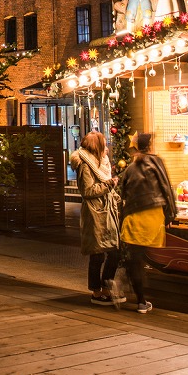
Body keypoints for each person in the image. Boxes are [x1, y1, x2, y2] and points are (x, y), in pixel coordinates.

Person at [117, 132, 174, 314]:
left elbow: (122, 192)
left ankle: (140, 301)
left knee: (136, 260)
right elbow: (166, 187)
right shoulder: (156, 162)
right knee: (143, 258)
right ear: (150, 146)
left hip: (133, 217)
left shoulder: (131, 167)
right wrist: (171, 215)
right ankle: (144, 296)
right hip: (153, 216)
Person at [70, 131, 123, 306]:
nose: (106, 146)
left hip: (107, 210)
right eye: (104, 143)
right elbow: (87, 191)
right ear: (97, 146)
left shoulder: (102, 162)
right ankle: (96, 291)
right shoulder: (86, 165)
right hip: (95, 213)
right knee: (97, 254)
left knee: (114, 251)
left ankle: (106, 287)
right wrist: (109, 184)